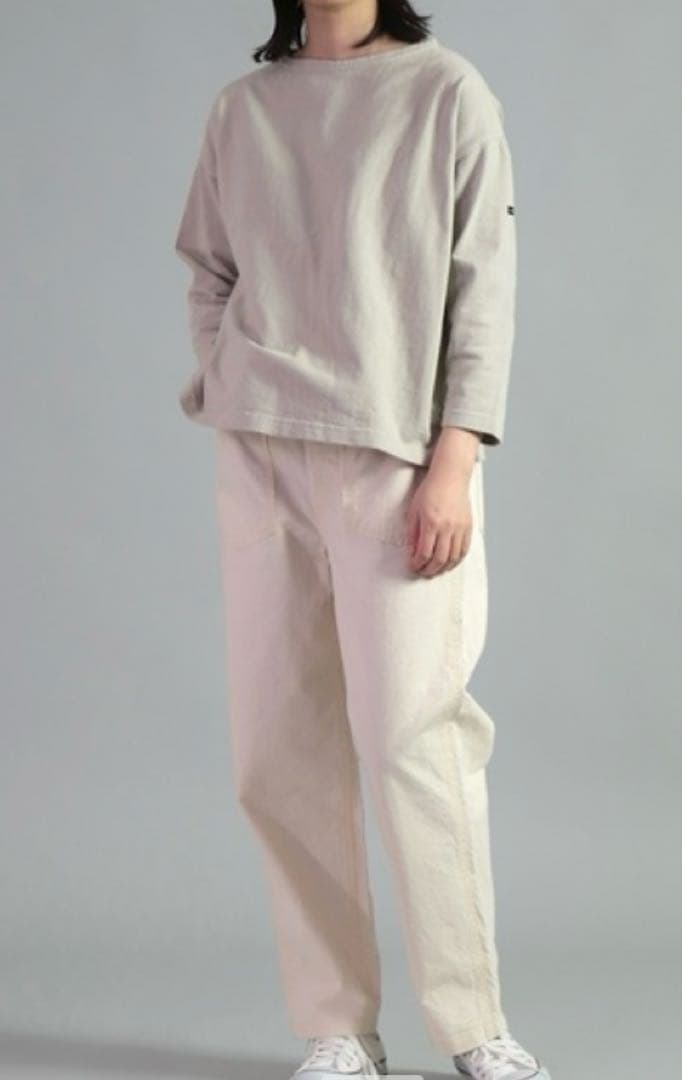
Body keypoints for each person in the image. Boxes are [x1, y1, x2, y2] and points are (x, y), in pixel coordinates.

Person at [174, 2, 552, 1078]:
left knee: (413, 741)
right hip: (261, 456)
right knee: (278, 750)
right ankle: (335, 1024)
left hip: (393, 462)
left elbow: (484, 284)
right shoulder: (244, 108)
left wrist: (454, 460)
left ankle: (472, 1025)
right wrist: (230, 377)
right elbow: (208, 266)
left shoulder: (446, 93)